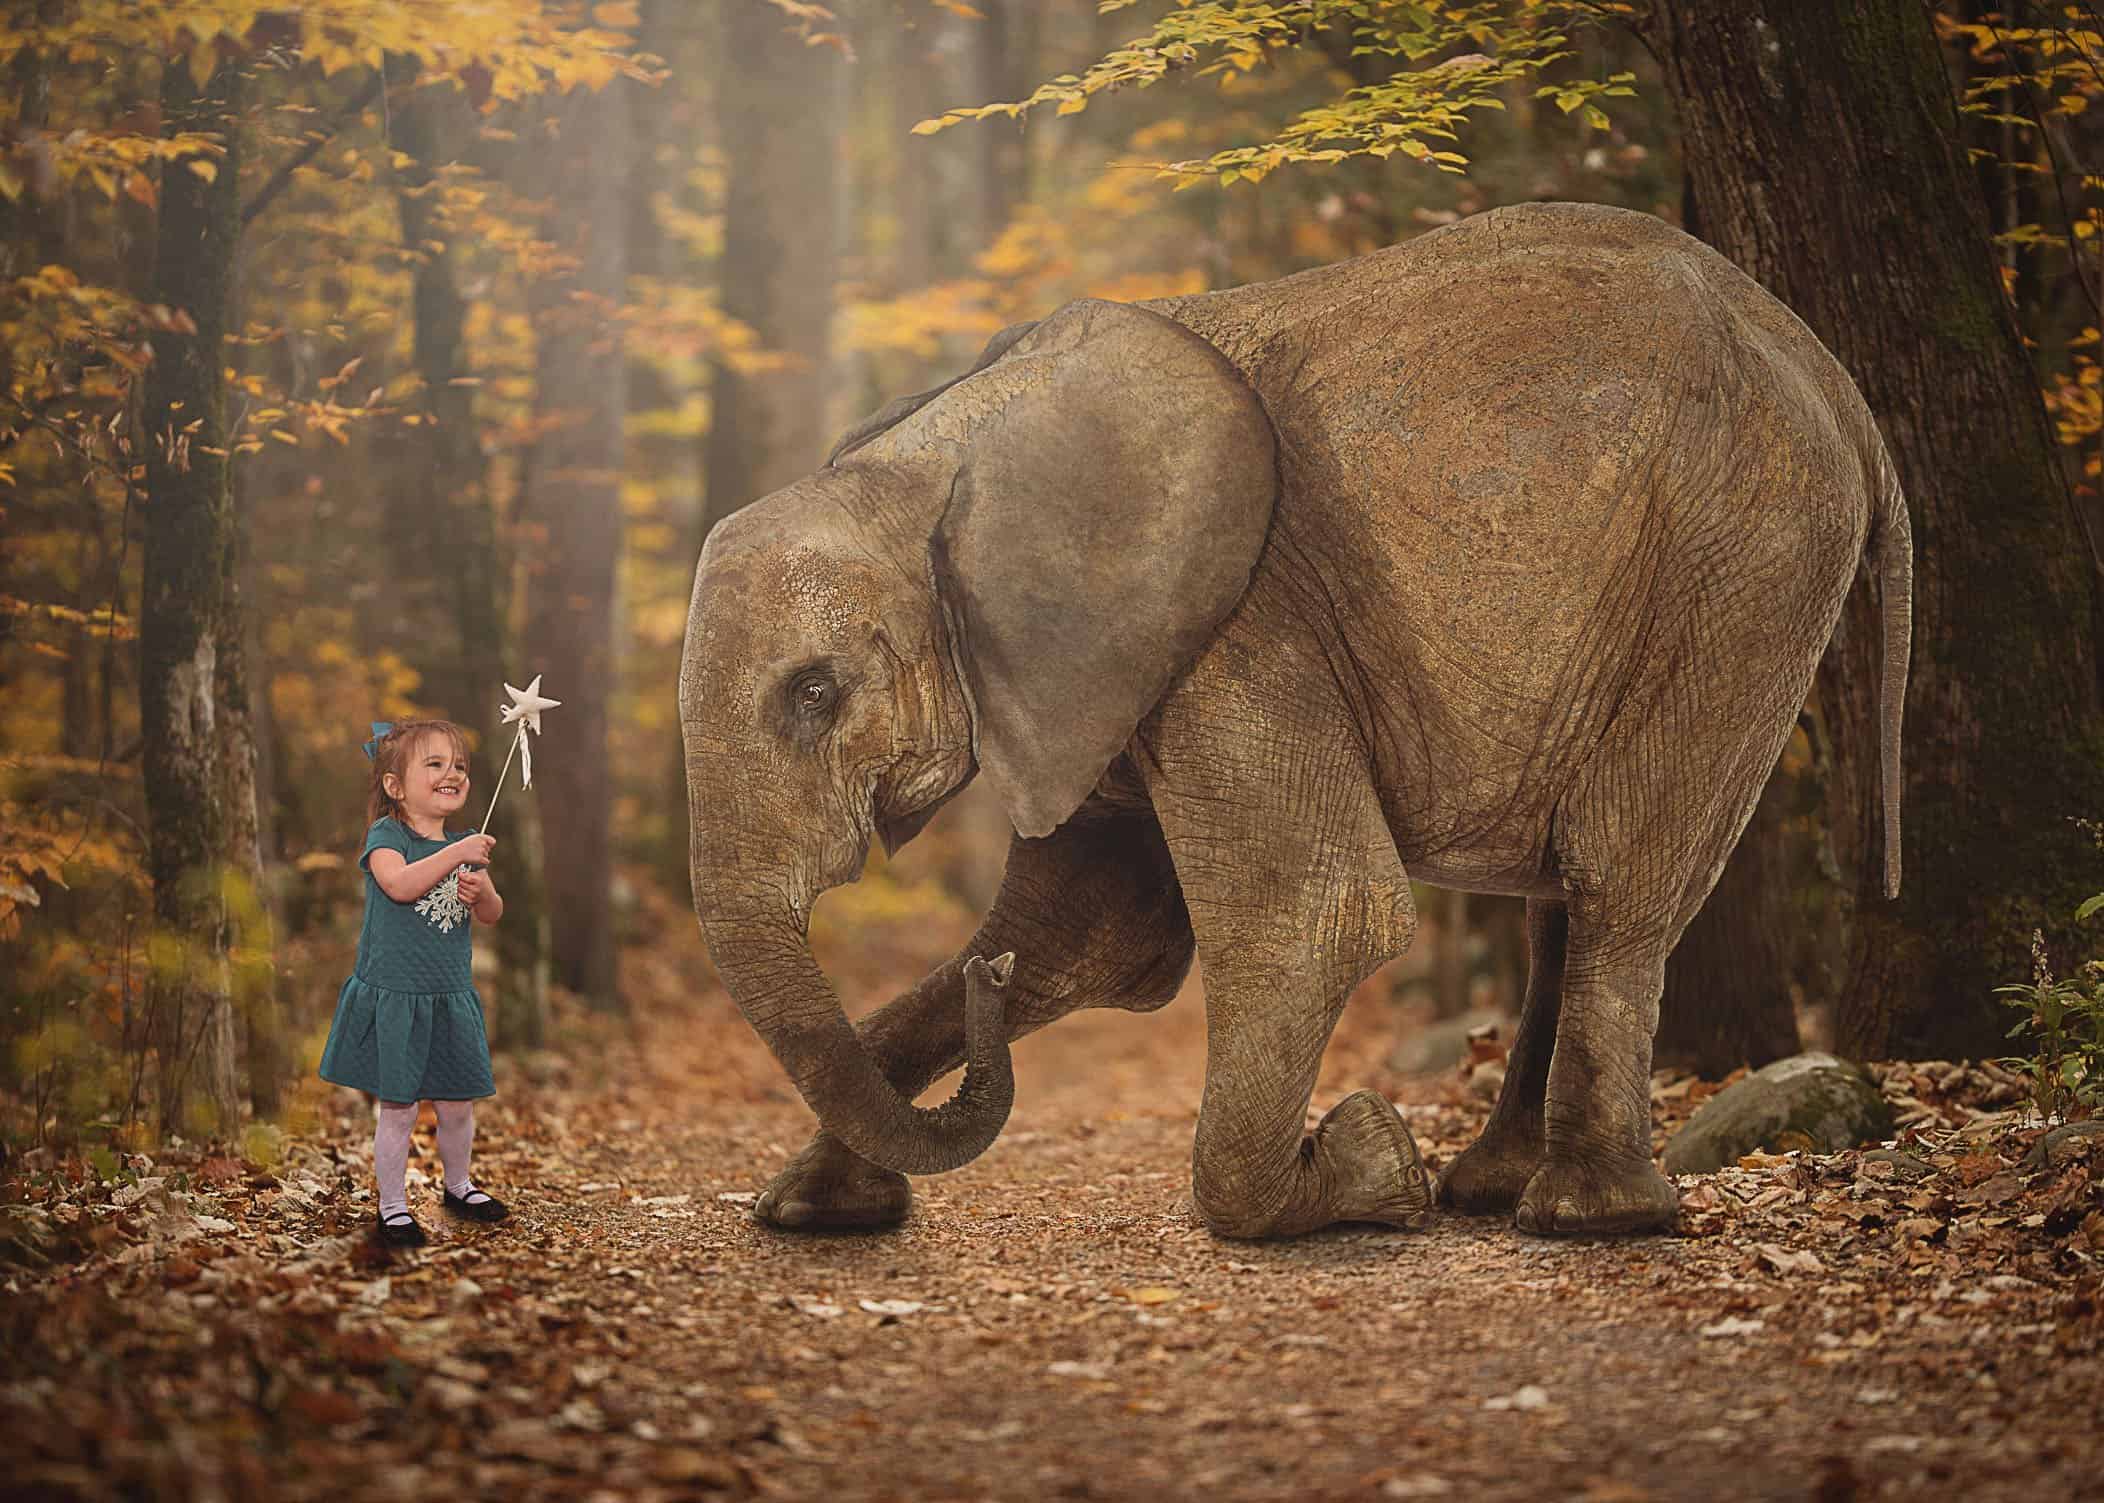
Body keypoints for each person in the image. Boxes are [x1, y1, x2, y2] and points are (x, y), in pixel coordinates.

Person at [318, 718, 511, 1247]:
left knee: (456, 1104)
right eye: (436, 764)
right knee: (399, 1109)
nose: (453, 773)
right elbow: (399, 885)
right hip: (398, 994)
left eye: (460, 766)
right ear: (395, 786)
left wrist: (480, 892)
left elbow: (492, 913)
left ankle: (459, 1184)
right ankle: (393, 1206)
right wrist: (457, 854)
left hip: (448, 995)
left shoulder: (464, 846)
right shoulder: (388, 837)